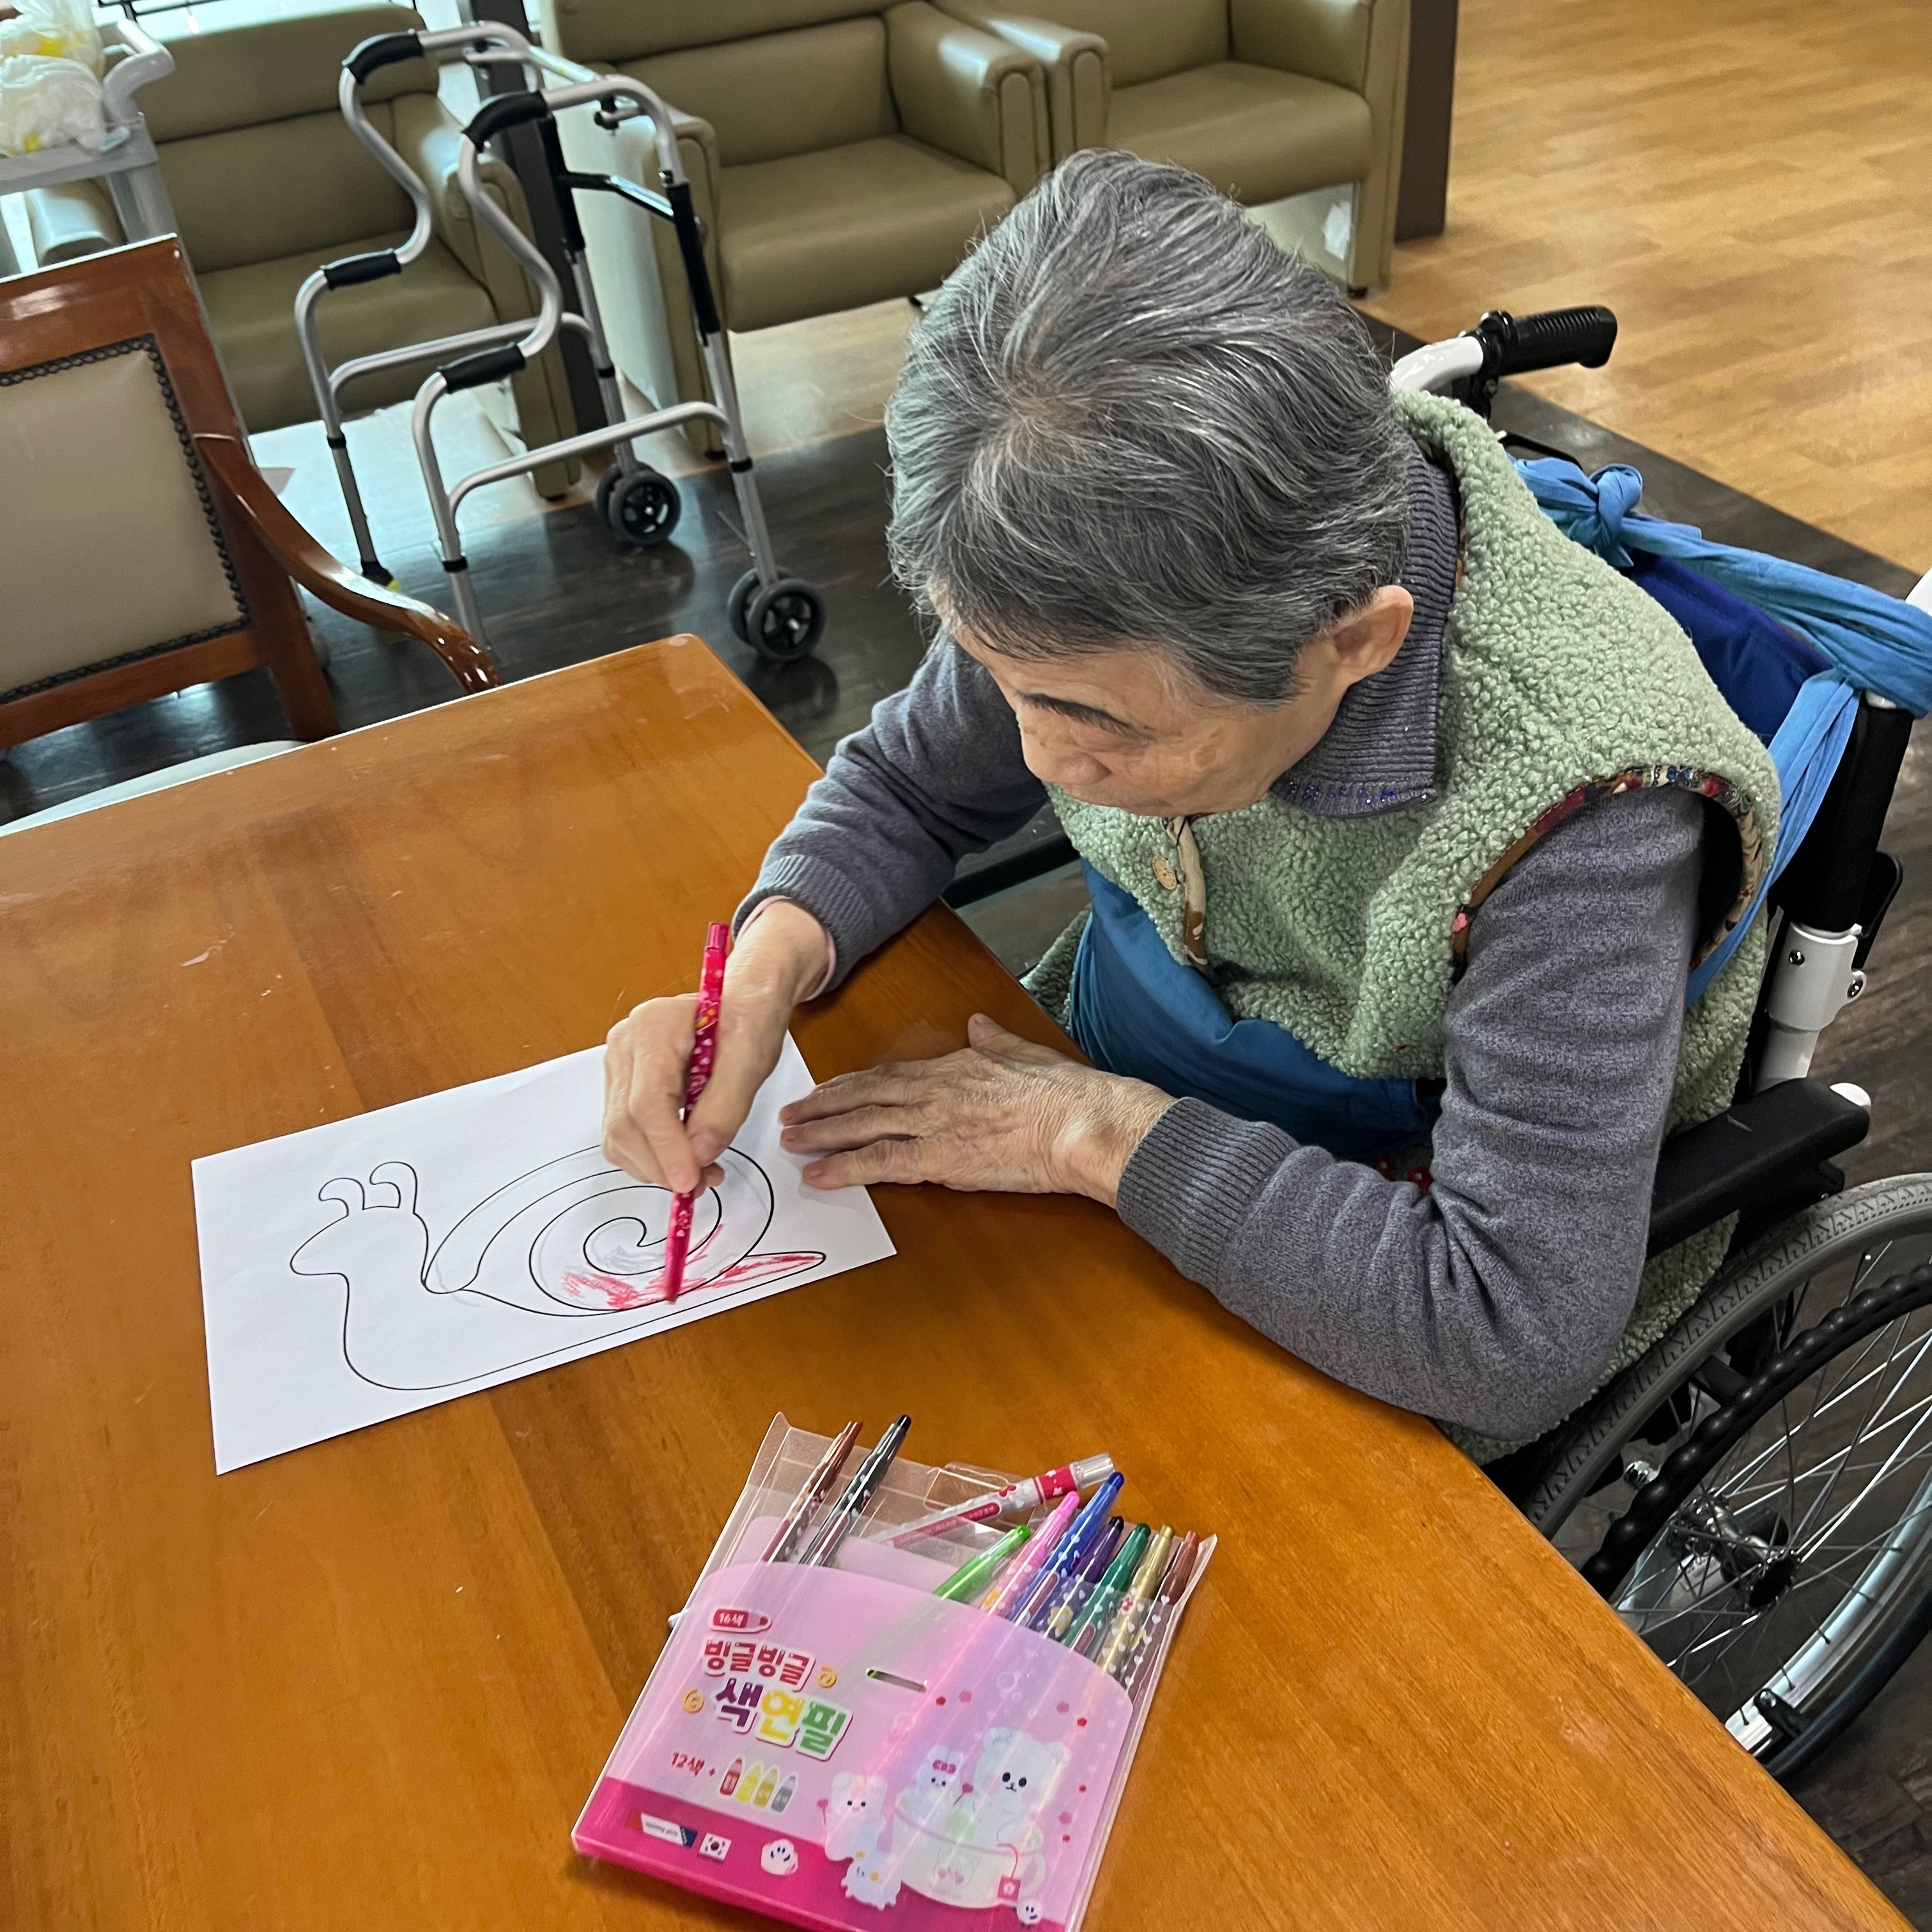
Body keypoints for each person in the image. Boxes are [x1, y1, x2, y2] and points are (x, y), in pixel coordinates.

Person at [602, 153, 1779, 1457]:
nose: (1038, 757)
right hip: (1124, 1097)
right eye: (1000, 680)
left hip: (1384, 1239)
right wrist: (767, 962)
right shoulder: (1084, 578)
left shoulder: (1584, 801)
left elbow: (1504, 1333)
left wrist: (1093, 1129)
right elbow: (908, 783)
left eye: (1103, 723)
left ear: (1354, 644)